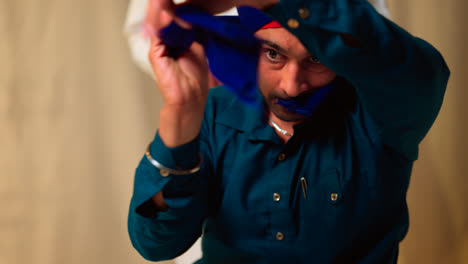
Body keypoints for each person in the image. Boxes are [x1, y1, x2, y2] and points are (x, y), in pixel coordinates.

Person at [127, 0, 449, 263]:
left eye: (315, 60)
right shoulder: (214, 112)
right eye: (273, 55)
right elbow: (156, 243)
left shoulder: (376, 117)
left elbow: (419, 76)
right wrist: (180, 115)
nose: (292, 86)